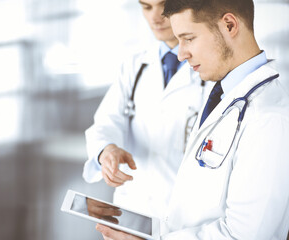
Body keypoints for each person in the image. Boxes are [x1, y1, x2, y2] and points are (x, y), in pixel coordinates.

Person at [96, 0, 289, 239]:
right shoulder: (222, 94)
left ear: (229, 25)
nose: (180, 54)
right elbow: (196, 208)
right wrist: (150, 234)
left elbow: (246, 235)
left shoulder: (269, 118)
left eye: (188, 39)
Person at [82, 0, 210, 219]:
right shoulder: (134, 66)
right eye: (146, 7)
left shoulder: (210, 70)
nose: (155, 17)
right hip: (132, 211)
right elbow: (105, 123)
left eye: (164, 5)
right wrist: (107, 150)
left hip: (184, 219)